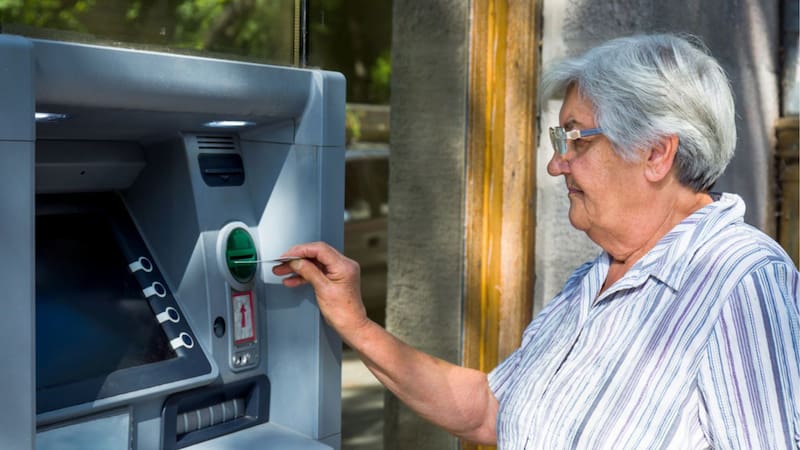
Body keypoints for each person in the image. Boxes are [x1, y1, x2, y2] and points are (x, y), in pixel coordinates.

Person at [273, 34, 800, 449]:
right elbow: (488, 410)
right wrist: (357, 326)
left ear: (656, 154)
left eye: (574, 139)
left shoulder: (740, 279)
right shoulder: (592, 280)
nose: (555, 163)